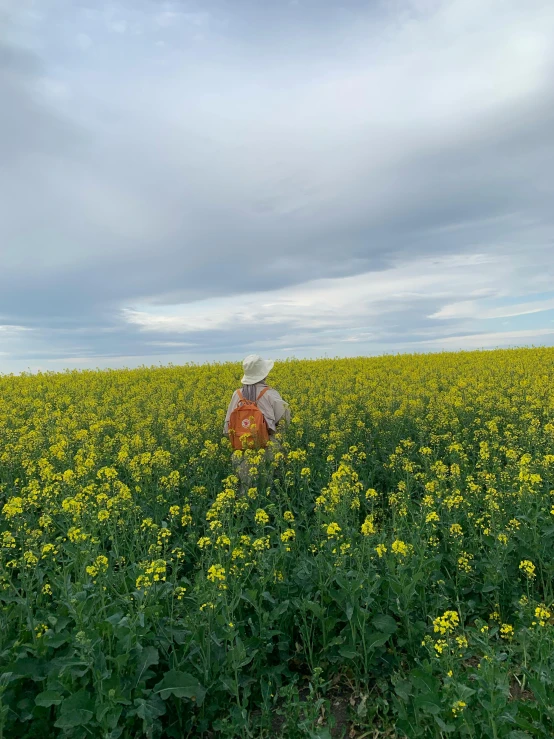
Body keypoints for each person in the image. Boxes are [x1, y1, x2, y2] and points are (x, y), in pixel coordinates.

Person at [223, 354, 290, 487]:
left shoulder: (237, 395)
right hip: (267, 448)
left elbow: (227, 428)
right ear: (264, 374)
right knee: (268, 487)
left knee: (245, 489)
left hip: (241, 450)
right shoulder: (270, 394)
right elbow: (285, 422)